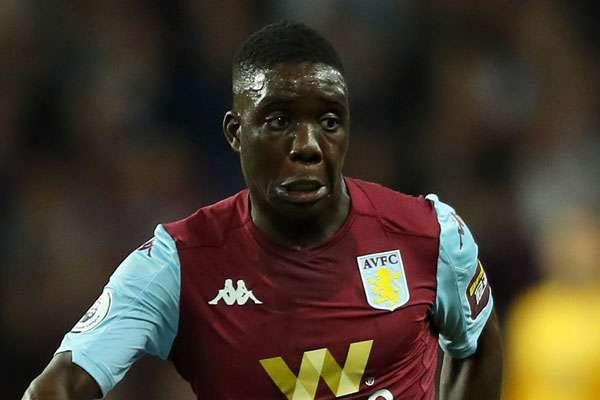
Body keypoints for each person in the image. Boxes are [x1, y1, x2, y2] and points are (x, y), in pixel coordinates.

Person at [23, 21, 502, 400]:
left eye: (329, 121)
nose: (308, 146)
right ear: (235, 133)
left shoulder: (429, 233)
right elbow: (57, 387)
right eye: (278, 121)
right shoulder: (177, 265)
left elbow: (477, 346)